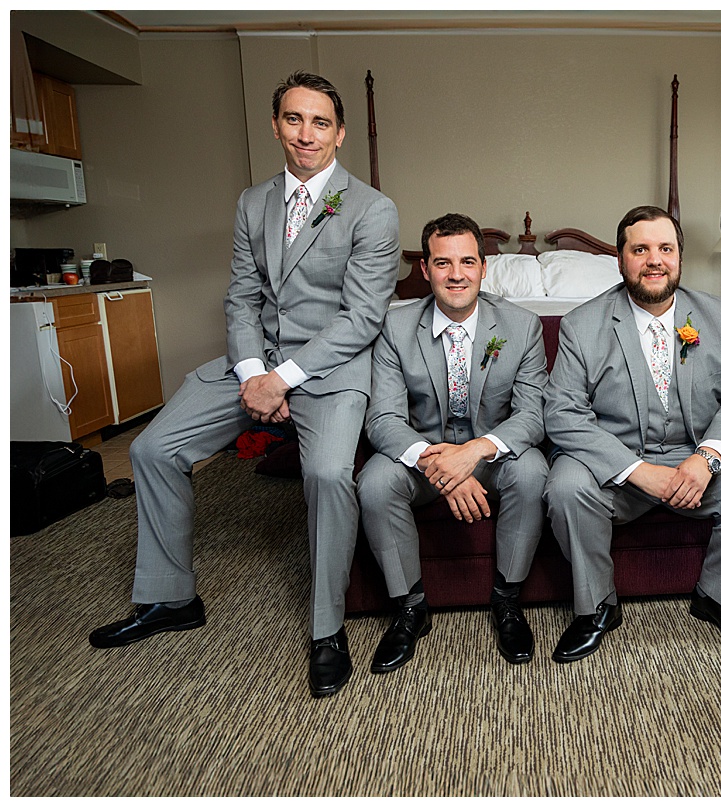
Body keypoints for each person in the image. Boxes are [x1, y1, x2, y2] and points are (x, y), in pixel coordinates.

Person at [88, 71, 400, 700]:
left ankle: (326, 628)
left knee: (327, 476)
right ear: (278, 126)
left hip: (331, 373)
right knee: (151, 449)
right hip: (253, 365)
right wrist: (252, 371)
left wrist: (281, 379)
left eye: (319, 122)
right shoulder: (252, 202)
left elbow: (362, 319)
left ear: (340, 134)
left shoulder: (372, 209)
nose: (305, 134)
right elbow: (241, 296)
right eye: (293, 119)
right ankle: (169, 597)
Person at [543, 205, 721, 664]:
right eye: (640, 249)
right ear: (621, 260)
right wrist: (637, 471)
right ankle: (596, 607)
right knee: (566, 486)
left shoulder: (719, 316)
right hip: (619, 466)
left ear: (679, 257)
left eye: (665, 248)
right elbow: (562, 413)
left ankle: (720, 598)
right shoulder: (582, 325)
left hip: (696, 462)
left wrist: (706, 459)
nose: (654, 260)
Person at [357, 213, 549, 669]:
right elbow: (382, 417)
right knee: (374, 482)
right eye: (443, 264)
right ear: (425, 270)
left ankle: (507, 597)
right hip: (422, 455)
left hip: (490, 453)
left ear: (484, 267)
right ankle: (410, 608)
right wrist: (439, 465)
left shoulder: (522, 326)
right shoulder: (395, 328)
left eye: (467, 262)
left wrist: (474, 453)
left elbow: (532, 414)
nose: (456, 275)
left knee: (533, 469)